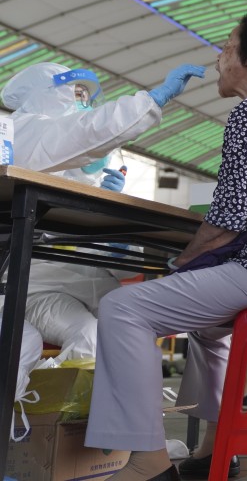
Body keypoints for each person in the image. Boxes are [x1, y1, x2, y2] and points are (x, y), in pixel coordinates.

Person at [84, 10, 247, 481]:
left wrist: (181, 260)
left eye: (226, 47)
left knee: (123, 308)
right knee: (207, 328)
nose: (218, 59)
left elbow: (225, 222)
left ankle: (147, 461)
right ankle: (216, 446)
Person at [0, 61, 204, 440]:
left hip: (73, 292)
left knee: (117, 335)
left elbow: (116, 271)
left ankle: (114, 438)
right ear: (47, 94)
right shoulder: (26, 133)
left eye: (87, 98)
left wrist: (119, 234)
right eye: (76, 95)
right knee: (69, 338)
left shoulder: (82, 174)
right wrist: (150, 100)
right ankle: (46, 428)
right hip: (36, 289)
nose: (84, 105)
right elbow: (83, 133)